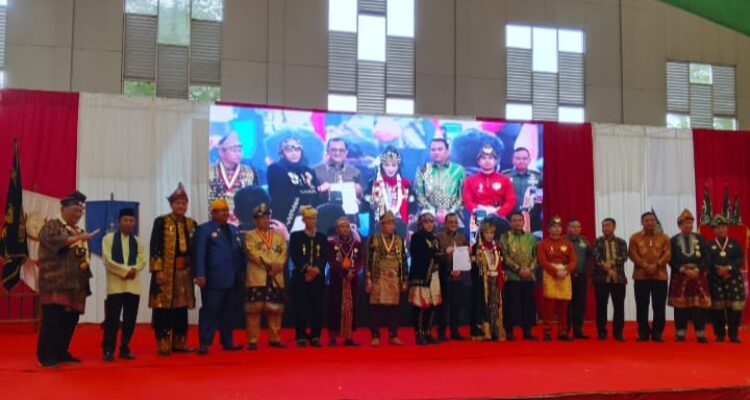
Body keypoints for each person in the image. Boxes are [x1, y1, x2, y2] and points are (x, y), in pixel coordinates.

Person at [37, 191, 94, 368]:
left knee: (70, 321)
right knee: (52, 320)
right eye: (75, 210)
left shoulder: (78, 231)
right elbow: (58, 242)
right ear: (63, 209)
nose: (78, 214)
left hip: (76, 284)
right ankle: (46, 355)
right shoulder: (51, 226)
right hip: (55, 282)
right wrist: (79, 238)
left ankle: (61, 351)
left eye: (80, 211)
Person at [148, 183, 197, 356]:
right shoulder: (161, 221)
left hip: (185, 273)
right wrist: (158, 271)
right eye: (177, 203)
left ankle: (179, 342)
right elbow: (155, 246)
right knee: (163, 308)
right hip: (166, 272)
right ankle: (162, 343)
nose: (181, 206)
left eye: (183, 203)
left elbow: (195, 250)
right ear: (171, 204)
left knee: (181, 307)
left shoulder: (192, 224)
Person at [194, 199, 245, 355]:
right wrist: (200, 274)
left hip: (232, 278)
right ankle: (204, 343)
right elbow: (199, 253)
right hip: (213, 279)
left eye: (226, 210)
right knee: (210, 311)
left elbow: (239, 253)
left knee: (228, 312)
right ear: (213, 213)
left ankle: (227, 341)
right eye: (221, 210)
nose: (225, 213)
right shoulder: (204, 229)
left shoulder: (234, 229)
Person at [101, 207, 146, 361]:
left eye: (131, 220)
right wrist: (126, 271)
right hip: (115, 286)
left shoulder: (138, 241)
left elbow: (142, 261)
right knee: (112, 319)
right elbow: (107, 260)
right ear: (119, 221)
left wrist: (133, 270)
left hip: (133, 286)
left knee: (130, 318)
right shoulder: (108, 239)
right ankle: (108, 349)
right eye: (125, 220)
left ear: (134, 222)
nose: (128, 223)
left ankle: (125, 347)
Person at [243, 203, 288, 351]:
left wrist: (278, 265)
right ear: (255, 220)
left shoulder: (279, 236)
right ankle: (252, 340)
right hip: (257, 277)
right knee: (254, 311)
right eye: (262, 218)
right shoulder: (250, 236)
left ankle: (275, 338)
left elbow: (283, 252)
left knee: (275, 310)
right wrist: (270, 264)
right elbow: (252, 254)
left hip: (275, 277)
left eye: (267, 217)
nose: (266, 220)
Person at [668, 209, 711, 343]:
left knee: (698, 306)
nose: (688, 226)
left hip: (698, 275)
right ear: (679, 225)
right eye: (685, 224)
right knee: (680, 306)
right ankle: (680, 333)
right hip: (680, 276)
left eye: (690, 223)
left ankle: (700, 333)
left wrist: (698, 269)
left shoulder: (700, 238)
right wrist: (682, 269)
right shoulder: (673, 240)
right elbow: (670, 259)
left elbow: (707, 257)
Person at [366, 210, 407, 347]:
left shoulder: (399, 240)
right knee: (376, 307)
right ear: (382, 225)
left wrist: (404, 279)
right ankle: (375, 335)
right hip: (378, 276)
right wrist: (368, 278)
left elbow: (404, 261)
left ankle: (393, 335)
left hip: (394, 277)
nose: (392, 226)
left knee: (393, 308)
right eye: (389, 223)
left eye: (393, 223)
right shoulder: (373, 239)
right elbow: (368, 260)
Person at [629, 211, 671, 342]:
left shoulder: (664, 237)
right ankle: (643, 332)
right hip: (641, 276)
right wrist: (645, 265)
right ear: (642, 222)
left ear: (655, 222)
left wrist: (656, 265)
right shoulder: (635, 238)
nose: (650, 222)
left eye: (652, 220)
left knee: (659, 306)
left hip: (660, 276)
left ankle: (658, 332)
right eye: (647, 220)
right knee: (642, 305)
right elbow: (632, 254)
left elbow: (668, 254)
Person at [289, 206, 328, 348]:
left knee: (317, 308)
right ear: (303, 220)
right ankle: (301, 335)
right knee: (301, 307)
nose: (312, 221)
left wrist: (316, 269)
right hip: (301, 277)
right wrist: (307, 269)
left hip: (317, 277)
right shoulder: (296, 236)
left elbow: (324, 256)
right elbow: (295, 255)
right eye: (309, 218)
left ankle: (315, 336)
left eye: (314, 218)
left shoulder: (322, 237)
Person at [267, 137, 321, 230]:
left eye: (297, 150)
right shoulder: (275, 169)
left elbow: (315, 194)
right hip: (286, 217)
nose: (294, 153)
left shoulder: (308, 170)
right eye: (289, 150)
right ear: (282, 153)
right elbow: (284, 196)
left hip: (310, 218)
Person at [537, 216, 577, 341]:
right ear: (548, 229)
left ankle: (562, 331)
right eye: (554, 227)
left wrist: (566, 270)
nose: (557, 229)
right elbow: (542, 261)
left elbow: (573, 260)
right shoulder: (543, 244)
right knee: (549, 305)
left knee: (563, 305)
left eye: (559, 227)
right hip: (549, 274)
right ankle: (547, 331)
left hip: (564, 274)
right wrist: (555, 271)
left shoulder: (567, 244)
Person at [500, 211, 538, 341]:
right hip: (512, 276)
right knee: (511, 304)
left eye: (519, 220)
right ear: (510, 222)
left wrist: (530, 269)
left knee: (528, 304)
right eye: (514, 221)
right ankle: (509, 331)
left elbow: (536, 256)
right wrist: (518, 269)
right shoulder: (505, 237)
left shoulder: (531, 237)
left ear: (523, 222)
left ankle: (527, 331)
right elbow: (505, 256)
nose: (517, 223)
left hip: (528, 276)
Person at [707, 215, 745, 343]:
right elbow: (707, 260)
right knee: (717, 308)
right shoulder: (709, 245)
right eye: (718, 227)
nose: (721, 229)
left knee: (734, 308)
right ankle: (719, 334)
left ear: (727, 228)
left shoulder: (735, 244)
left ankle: (733, 334)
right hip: (715, 278)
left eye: (723, 227)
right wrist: (719, 270)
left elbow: (740, 259)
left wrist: (728, 268)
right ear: (714, 230)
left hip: (733, 278)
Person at [327, 216, 364, 346]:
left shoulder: (356, 244)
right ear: (337, 229)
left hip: (352, 279)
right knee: (335, 306)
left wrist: (353, 272)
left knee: (351, 306)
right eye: (342, 226)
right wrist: (344, 273)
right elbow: (332, 261)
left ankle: (349, 336)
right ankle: (333, 336)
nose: (345, 229)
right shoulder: (332, 243)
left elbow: (360, 260)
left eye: (347, 226)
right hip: (337, 279)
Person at [208, 131, 259, 225]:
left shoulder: (249, 171)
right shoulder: (209, 171)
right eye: (234, 151)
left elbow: (255, 199)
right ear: (221, 152)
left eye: (240, 150)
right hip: (215, 223)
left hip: (243, 224)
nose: (238, 154)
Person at [591, 218, 628, 341]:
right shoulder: (597, 241)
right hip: (601, 279)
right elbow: (595, 256)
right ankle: (601, 331)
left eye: (608, 225)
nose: (605, 228)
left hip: (618, 278)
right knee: (601, 306)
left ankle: (618, 332)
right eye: (604, 226)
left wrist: (611, 264)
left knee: (619, 306)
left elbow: (624, 256)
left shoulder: (621, 242)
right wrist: (606, 267)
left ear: (614, 227)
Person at [409, 212, 443, 345]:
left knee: (431, 305)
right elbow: (419, 255)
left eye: (431, 221)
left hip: (433, 276)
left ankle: (427, 332)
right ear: (420, 224)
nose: (429, 224)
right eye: (426, 222)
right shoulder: (417, 237)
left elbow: (437, 256)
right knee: (419, 306)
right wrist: (437, 254)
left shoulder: (435, 239)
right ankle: (419, 334)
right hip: (421, 276)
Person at [414, 139, 465, 225]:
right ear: (429, 152)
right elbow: (419, 195)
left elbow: (462, 196)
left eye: (440, 149)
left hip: (454, 216)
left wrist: (449, 212)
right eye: (433, 150)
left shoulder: (458, 170)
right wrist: (434, 211)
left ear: (448, 152)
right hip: (429, 216)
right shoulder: (422, 170)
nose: (436, 152)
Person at [435, 212, 469, 341]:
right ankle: (441, 332)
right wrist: (445, 252)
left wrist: (460, 270)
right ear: (445, 223)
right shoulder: (439, 237)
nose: (453, 224)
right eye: (450, 222)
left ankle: (455, 332)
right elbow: (435, 256)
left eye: (455, 222)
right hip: (443, 277)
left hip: (458, 277)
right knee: (443, 307)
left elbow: (466, 258)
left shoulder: (462, 238)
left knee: (456, 306)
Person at [469, 221, 505, 341]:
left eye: (492, 233)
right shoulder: (477, 247)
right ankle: (484, 331)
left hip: (495, 280)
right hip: (482, 282)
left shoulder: (497, 247)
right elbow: (474, 267)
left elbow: (500, 264)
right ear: (482, 234)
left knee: (494, 304)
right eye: (487, 233)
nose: (489, 235)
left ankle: (495, 330)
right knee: (482, 304)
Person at [462, 144, 516, 219]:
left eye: (490, 158)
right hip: (477, 217)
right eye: (483, 158)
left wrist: (498, 212)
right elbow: (467, 201)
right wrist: (479, 211)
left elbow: (511, 200)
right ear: (478, 161)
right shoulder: (469, 180)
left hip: (499, 216)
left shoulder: (505, 180)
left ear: (495, 161)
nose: (487, 161)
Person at [365, 146, 415, 224]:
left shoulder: (405, 184)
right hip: (379, 225)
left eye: (394, 165)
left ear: (398, 166)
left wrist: (412, 214)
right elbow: (366, 203)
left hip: (401, 225)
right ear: (382, 165)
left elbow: (412, 203)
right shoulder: (374, 183)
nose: (390, 169)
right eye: (387, 165)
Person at [502, 147, 542, 231]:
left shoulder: (539, 177)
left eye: (524, 159)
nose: (521, 161)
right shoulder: (504, 176)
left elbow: (540, 200)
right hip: (509, 219)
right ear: (512, 160)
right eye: (518, 158)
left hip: (532, 220)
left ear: (529, 160)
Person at [314, 138, 363, 207]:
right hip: (322, 212)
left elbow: (362, 198)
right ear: (327, 151)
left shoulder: (355, 172)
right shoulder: (315, 171)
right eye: (334, 150)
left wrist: (359, 202)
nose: (337, 153)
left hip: (349, 212)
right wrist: (319, 189)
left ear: (346, 152)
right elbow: (309, 197)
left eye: (341, 150)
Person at [565, 219, 592, 339]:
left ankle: (578, 330)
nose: (576, 229)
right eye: (573, 227)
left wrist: (589, 274)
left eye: (578, 227)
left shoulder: (584, 241)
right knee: (566, 305)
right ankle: (564, 330)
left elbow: (590, 257)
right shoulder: (562, 240)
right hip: (565, 277)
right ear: (567, 228)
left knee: (580, 305)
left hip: (581, 276)